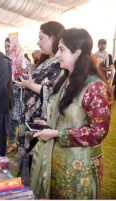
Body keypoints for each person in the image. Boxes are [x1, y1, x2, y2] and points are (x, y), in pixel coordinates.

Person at [30, 28, 110, 199]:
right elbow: (65, 118)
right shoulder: (64, 78)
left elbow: (98, 132)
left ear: (78, 53)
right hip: (56, 163)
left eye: (62, 49)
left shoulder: (95, 87)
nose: (57, 54)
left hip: (80, 169)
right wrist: (49, 124)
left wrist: (58, 134)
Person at [14, 21, 65, 185]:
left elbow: (53, 91)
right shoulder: (46, 61)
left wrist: (30, 85)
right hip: (32, 121)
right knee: (28, 164)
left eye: (41, 38)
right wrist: (27, 83)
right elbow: (40, 84)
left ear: (54, 38)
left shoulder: (60, 63)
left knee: (34, 165)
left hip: (40, 123)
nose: (38, 42)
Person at [5, 37, 30, 153]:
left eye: (9, 46)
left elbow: (29, 78)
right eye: (5, 46)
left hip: (19, 95)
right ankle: (12, 142)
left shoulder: (23, 60)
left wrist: (20, 74)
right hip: (7, 94)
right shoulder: (6, 60)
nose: (7, 49)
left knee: (16, 120)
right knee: (10, 119)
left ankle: (16, 143)